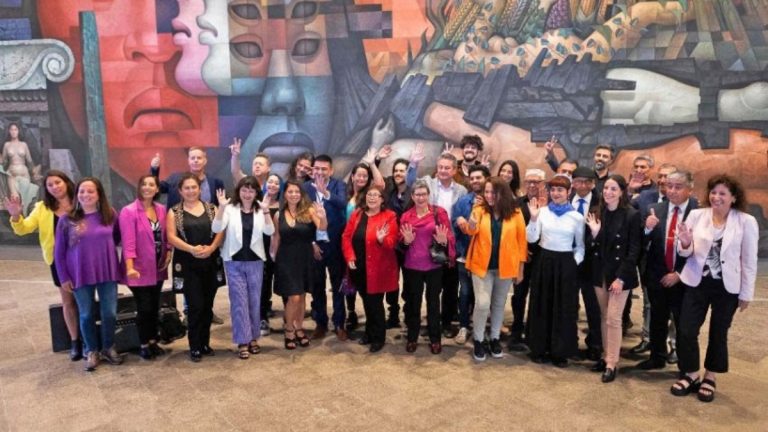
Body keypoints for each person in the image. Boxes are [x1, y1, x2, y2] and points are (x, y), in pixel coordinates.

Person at [670, 174, 758, 403]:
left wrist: (746, 293)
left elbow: (749, 260)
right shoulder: (697, 215)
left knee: (718, 333)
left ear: (733, 197)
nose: (716, 197)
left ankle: (710, 375)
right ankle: (691, 373)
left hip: (727, 288)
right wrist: (685, 242)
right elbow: (684, 251)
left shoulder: (746, 221)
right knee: (686, 330)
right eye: (713, 192)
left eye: (722, 193)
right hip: (696, 283)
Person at [6, 170, 80, 360]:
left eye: (58, 182)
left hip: (83, 259)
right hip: (58, 262)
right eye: (50, 185)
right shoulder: (42, 208)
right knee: (68, 301)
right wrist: (16, 216)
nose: (55, 187)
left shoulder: (80, 202)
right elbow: (23, 229)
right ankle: (75, 341)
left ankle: (91, 339)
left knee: (85, 300)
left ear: (66, 182)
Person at [54, 177, 122, 372]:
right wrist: (64, 277)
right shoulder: (67, 220)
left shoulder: (110, 214)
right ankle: (91, 350)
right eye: (82, 191)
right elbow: (59, 252)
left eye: (90, 191)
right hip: (79, 274)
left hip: (107, 271)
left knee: (109, 313)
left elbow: (117, 237)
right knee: (85, 314)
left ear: (99, 194)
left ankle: (108, 347)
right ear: (77, 195)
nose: (86, 195)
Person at [152, 147, 225, 325]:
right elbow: (157, 189)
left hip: (207, 239)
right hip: (184, 238)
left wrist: (214, 245)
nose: (196, 161)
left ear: (205, 160)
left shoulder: (215, 182)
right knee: (190, 285)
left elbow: (219, 216)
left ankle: (207, 311)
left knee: (208, 285)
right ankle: (188, 311)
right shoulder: (175, 179)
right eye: (192, 158)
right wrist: (154, 169)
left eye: (199, 157)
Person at [636, 170, 697, 371]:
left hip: (685, 278)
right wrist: (647, 228)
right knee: (658, 319)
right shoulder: (655, 209)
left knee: (683, 324)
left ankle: (685, 365)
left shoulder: (698, 212)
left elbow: (701, 250)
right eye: (669, 186)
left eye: (678, 187)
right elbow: (641, 242)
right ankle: (657, 357)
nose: (672, 190)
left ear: (690, 188)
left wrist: (678, 274)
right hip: (657, 275)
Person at [462, 177, 527, 361]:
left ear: (503, 193)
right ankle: (478, 339)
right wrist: (470, 226)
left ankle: (495, 338)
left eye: (493, 192)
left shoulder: (515, 212)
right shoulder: (479, 209)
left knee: (498, 304)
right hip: (481, 265)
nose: (489, 196)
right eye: (487, 192)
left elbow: (521, 242)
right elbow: (471, 231)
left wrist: (520, 269)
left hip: (505, 267)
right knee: (482, 304)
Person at [585, 174, 642, 383]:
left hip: (620, 274)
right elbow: (590, 244)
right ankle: (605, 355)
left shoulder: (631, 215)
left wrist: (621, 278)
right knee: (604, 316)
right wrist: (595, 234)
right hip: (600, 272)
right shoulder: (596, 212)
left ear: (621, 192)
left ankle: (612, 362)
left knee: (613, 318)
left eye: (613, 189)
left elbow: (634, 250)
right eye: (606, 188)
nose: (608, 192)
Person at [525, 174, 585, 368]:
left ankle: (560, 352)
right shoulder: (542, 212)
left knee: (563, 307)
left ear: (569, 192)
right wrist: (533, 219)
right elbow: (531, 239)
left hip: (566, 263)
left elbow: (580, 246)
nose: (556, 193)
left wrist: (573, 263)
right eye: (553, 190)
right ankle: (539, 349)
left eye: (560, 190)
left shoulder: (577, 217)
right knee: (541, 304)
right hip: (544, 261)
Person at [213, 176, 274, 359]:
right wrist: (221, 208)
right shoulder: (230, 209)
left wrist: (266, 211)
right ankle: (242, 340)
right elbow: (216, 228)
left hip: (256, 261)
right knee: (239, 302)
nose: (247, 194)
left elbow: (270, 231)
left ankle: (253, 337)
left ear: (256, 193)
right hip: (234, 261)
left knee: (254, 301)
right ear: (238, 191)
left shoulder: (260, 209)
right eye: (244, 190)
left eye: (251, 190)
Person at [408, 151, 467, 338]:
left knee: (450, 286)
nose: (442, 170)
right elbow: (410, 182)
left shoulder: (461, 190)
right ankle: (430, 322)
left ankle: (447, 323)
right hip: (428, 243)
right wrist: (413, 165)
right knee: (432, 289)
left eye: (447, 168)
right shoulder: (428, 183)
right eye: (440, 167)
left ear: (454, 170)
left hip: (451, 243)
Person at [167, 173, 225, 362]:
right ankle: (195, 346)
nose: (191, 191)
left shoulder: (212, 208)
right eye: (187, 188)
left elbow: (220, 230)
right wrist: (191, 249)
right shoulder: (174, 212)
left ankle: (205, 343)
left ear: (200, 189)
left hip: (210, 262)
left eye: (194, 187)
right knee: (195, 306)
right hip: (188, 265)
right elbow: (171, 237)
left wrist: (212, 248)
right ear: (180, 191)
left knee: (207, 306)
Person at [399, 180, 455, 354]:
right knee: (413, 303)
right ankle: (412, 338)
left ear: (429, 195)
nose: (421, 198)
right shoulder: (406, 216)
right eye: (417, 194)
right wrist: (406, 241)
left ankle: (435, 339)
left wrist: (444, 241)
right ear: (412, 196)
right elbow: (401, 242)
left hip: (434, 265)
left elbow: (449, 237)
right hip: (412, 265)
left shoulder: (439, 213)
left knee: (433, 303)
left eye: (424, 194)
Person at [118, 175, 171, 360]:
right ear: (139, 187)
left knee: (154, 305)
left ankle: (153, 341)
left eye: (151, 184)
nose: (147, 187)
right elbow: (128, 243)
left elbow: (166, 235)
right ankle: (144, 344)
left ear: (157, 189)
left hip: (158, 266)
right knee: (145, 307)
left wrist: (169, 252)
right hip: (138, 268)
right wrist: (130, 267)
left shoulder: (161, 209)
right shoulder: (128, 211)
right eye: (144, 184)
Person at [341, 185, 399, 353]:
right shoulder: (357, 214)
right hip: (358, 267)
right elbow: (346, 237)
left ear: (382, 199)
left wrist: (381, 240)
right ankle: (369, 331)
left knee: (375, 303)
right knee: (367, 301)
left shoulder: (389, 216)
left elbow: (392, 242)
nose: (372, 197)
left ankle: (378, 337)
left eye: (376, 195)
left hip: (379, 269)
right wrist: (350, 256)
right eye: (369, 195)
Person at [271, 180, 328, 349]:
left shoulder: (309, 210)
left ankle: (299, 328)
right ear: (285, 194)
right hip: (285, 259)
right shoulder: (278, 215)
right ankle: (289, 329)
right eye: (290, 191)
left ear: (301, 194)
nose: (294, 195)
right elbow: (276, 238)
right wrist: (273, 256)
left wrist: (323, 216)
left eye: (297, 192)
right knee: (294, 296)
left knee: (302, 296)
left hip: (305, 258)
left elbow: (322, 228)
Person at [304, 155, 349, 340]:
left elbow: (343, 204)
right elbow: (302, 218)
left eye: (324, 169)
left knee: (338, 285)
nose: (320, 172)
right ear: (312, 170)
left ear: (331, 170)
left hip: (335, 244)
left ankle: (339, 323)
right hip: (315, 244)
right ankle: (320, 323)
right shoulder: (305, 188)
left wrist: (326, 193)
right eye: (317, 168)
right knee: (317, 286)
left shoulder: (339, 185)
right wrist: (312, 243)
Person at [343, 156, 385, 330]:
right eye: (358, 175)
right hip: (346, 242)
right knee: (348, 280)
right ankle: (351, 312)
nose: (361, 178)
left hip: (362, 243)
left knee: (362, 281)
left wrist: (372, 164)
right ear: (352, 176)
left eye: (365, 176)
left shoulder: (368, 196)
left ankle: (371, 319)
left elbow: (380, 185)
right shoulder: (345, 194)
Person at [508, 168, 547, 350]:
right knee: (519, 295)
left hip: (542, 258)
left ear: (543, 184)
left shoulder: (549, 205)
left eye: (536, 182)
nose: (532, 185)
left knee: (538, 297)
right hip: (521, 257)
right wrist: (522, 252)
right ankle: (516, 331)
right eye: (529, 181)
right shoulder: (516, 204)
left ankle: (534, 333)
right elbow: (511, 231)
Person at [451, 165, 490, 344]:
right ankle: (464, 326)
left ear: (486, 178)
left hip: (486, 256)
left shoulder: (493, 201)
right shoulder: (463, 201)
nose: (475, 181)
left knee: (483, 295)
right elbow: (455, 223)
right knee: (465, 292)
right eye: (472, 178)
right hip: (465, 254)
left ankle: (481, 328)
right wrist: (458, 221)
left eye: (478, 177)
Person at [570, 166, 603, 361]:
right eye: (578, 181)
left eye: (586, 182)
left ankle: (595, 344)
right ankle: (570, 343)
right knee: (569, 304)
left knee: (593, 306)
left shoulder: (601, 203)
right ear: (572, 183)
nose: (582, 185)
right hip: (569, 259)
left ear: (593, 184)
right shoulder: (565, 200)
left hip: (592, 262)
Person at [259, 173, 283, 335]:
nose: (273, 185)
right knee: (263, 282)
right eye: (270, 182)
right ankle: (262, 318)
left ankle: (290, 319)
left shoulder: (284, 204)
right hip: (261, 247)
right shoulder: (258, 203)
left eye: (276, 183)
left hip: (281, 247)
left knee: (283, 282)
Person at [2, 122, 39, 211]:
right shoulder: (7, 145)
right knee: (15, 198)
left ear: (18, 131)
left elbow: (29, 160)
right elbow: (4, 161)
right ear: (9, 131)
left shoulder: (24, 144)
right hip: (12, 174)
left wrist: (34, 172)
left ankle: (26, 217)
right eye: (11, 130)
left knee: (26, 200)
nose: (13, 132)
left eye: (15, 129)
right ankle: (16, 217)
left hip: (24, 173)